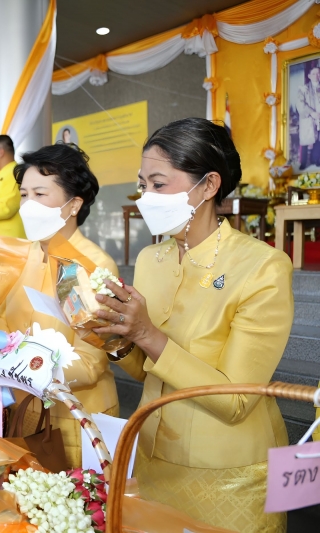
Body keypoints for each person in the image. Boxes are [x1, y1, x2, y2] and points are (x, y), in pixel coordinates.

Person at [96, 118, 292, 532]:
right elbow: (148, 372)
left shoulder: (262, 267)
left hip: (229, 469)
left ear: (208, 186)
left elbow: (236, 402)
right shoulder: (153, 259)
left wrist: (147, 333)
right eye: (142, 184)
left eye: (159, 184)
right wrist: (113, 338)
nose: (146, 196)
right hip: (151, 453)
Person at [0, 144, 119, 467]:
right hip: (23, 411)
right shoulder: (21, 255)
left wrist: (24, 369)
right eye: (23, 195)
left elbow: (92, 360)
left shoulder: (89, 266)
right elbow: (3, 321)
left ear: (73, 204)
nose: (28, 205)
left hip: (77, 418)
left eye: (40, 194)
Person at [297, 66, 320, 169]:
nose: (317, 76)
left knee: (319, 139)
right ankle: (303, 162)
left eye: (318, 73)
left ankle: (317, 160)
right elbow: (300, 104)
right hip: (309, 117)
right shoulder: (303, 88)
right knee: (306, 139)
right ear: (309, 76)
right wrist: (312, 113)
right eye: (314, 73)